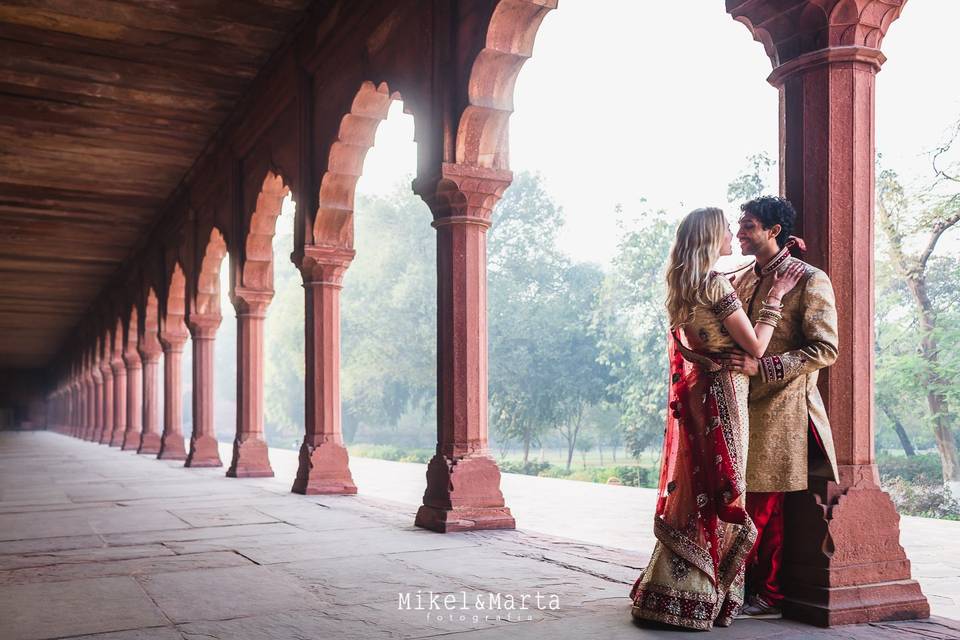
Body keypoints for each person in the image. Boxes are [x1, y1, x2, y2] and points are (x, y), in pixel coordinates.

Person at [630, 207, 804, 630]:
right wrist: (777, 295)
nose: (734, 234)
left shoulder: (682, 283)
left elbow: (688, 345)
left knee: (698, 485)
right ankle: (706, 595)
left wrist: (703, 360)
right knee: (726, 485)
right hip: (726, 392)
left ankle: (668, 591)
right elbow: (758, 348)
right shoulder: (715, 285)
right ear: (711, 238)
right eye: (728, 228)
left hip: (698, 393)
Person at [715, 196, 840, 619]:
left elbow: (825, 348)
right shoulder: (744, 277)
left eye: (748, 226)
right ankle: (736, 588)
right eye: (738, 225)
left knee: (764, 505)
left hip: (782, 409)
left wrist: (762, 366)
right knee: (737, 499)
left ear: (773, 231)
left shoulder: (808, 278)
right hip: (737, 403)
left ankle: (766, 594)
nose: (739, 233)